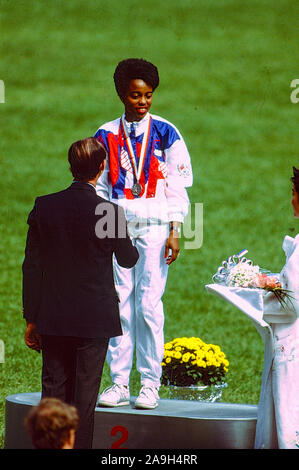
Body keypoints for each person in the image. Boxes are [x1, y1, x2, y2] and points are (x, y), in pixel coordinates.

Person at [22, 137, 139, 449]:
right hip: (93, 321)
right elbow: (128, 259)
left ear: (71, 166)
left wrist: (31, 319)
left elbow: (31, 267)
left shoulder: (44, 207)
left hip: (53, 318)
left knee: (53, 399)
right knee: (84, 403)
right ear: (101, 168)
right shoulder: (110, 213)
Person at [94, 58, 193, 409]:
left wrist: (176, 230)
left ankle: (150, 384)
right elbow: (100, 188)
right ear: (122, 94)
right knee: (119, 303)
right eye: (136, 95)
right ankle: (119, 383)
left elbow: (179, 187)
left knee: (149, 304)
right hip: (117, 226)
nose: (143, 102)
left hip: (154, 223)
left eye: (148, 95)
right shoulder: (105, 134)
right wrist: (103, 231)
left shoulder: (167, 132)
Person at [254, 166, 299, 449]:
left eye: (293, 193)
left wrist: (249, 298)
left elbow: (292, 304)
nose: (291, 200)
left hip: (291, 350)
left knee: (287, 427)